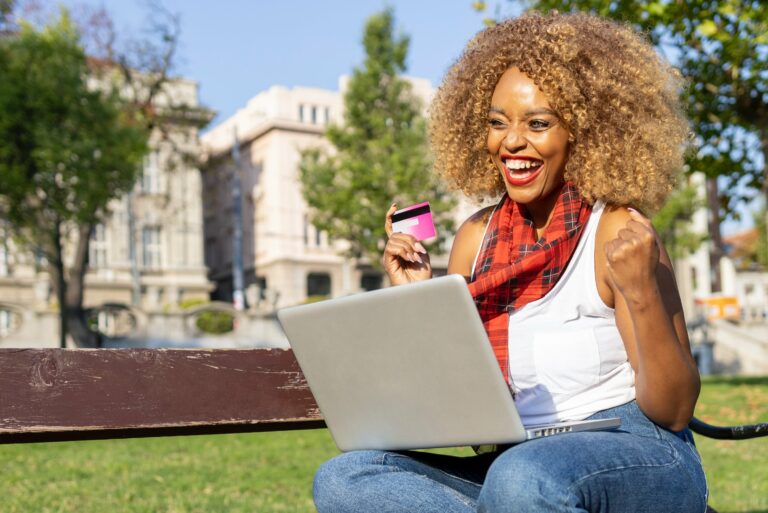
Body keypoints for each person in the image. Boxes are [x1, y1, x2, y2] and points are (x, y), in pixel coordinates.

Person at [313, 11, 708, 513]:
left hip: (637, 450)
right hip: (514, 457)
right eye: (498, 123)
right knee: (347, 476)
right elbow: (448, 406)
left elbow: (673, 411)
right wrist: (416, 298)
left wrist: (641, 291)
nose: (512, 142)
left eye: (538, 124)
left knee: (523, 480)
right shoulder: (474, 239)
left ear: (584, 133)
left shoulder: (617, 231)